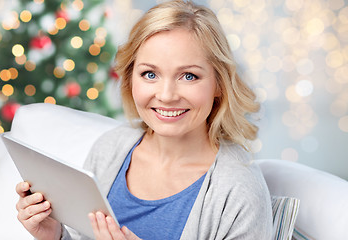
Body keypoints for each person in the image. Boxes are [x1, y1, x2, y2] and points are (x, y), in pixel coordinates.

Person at [15, 0, 273, 239]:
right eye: (150, 74)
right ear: (130, 78)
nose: (166, 95)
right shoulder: (111, 148)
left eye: (189, 76)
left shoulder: (240, 191)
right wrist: (56, 235)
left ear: (219, 84)